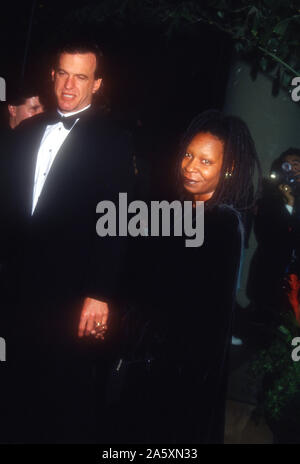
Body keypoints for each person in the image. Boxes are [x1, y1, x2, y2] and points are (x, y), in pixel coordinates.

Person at [0, 39, 134, 443]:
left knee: (63, 402)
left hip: (72, 296)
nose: (70, 86)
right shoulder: (24, 133)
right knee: (13, 394)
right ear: (52, 75)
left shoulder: (115, 140)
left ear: (96, 84)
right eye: (64, 74)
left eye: (81, 77)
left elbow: (118, 222)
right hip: (16, 290)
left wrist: (100, 293)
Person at [107, 110, 261, 443]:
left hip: (179, 370)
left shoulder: (223, 224)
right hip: (147, 357)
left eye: (206, 162)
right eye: (189, 155)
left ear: (228, 169)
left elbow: (211, 316)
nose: (191, 166)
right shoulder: (180, 208)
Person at [247, 148, 300, 322]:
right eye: (288, 165)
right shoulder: (269, 197)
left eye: (296, 164)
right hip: (269, 273)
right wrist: (289, 205)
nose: (292, 169)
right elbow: (266, 236)